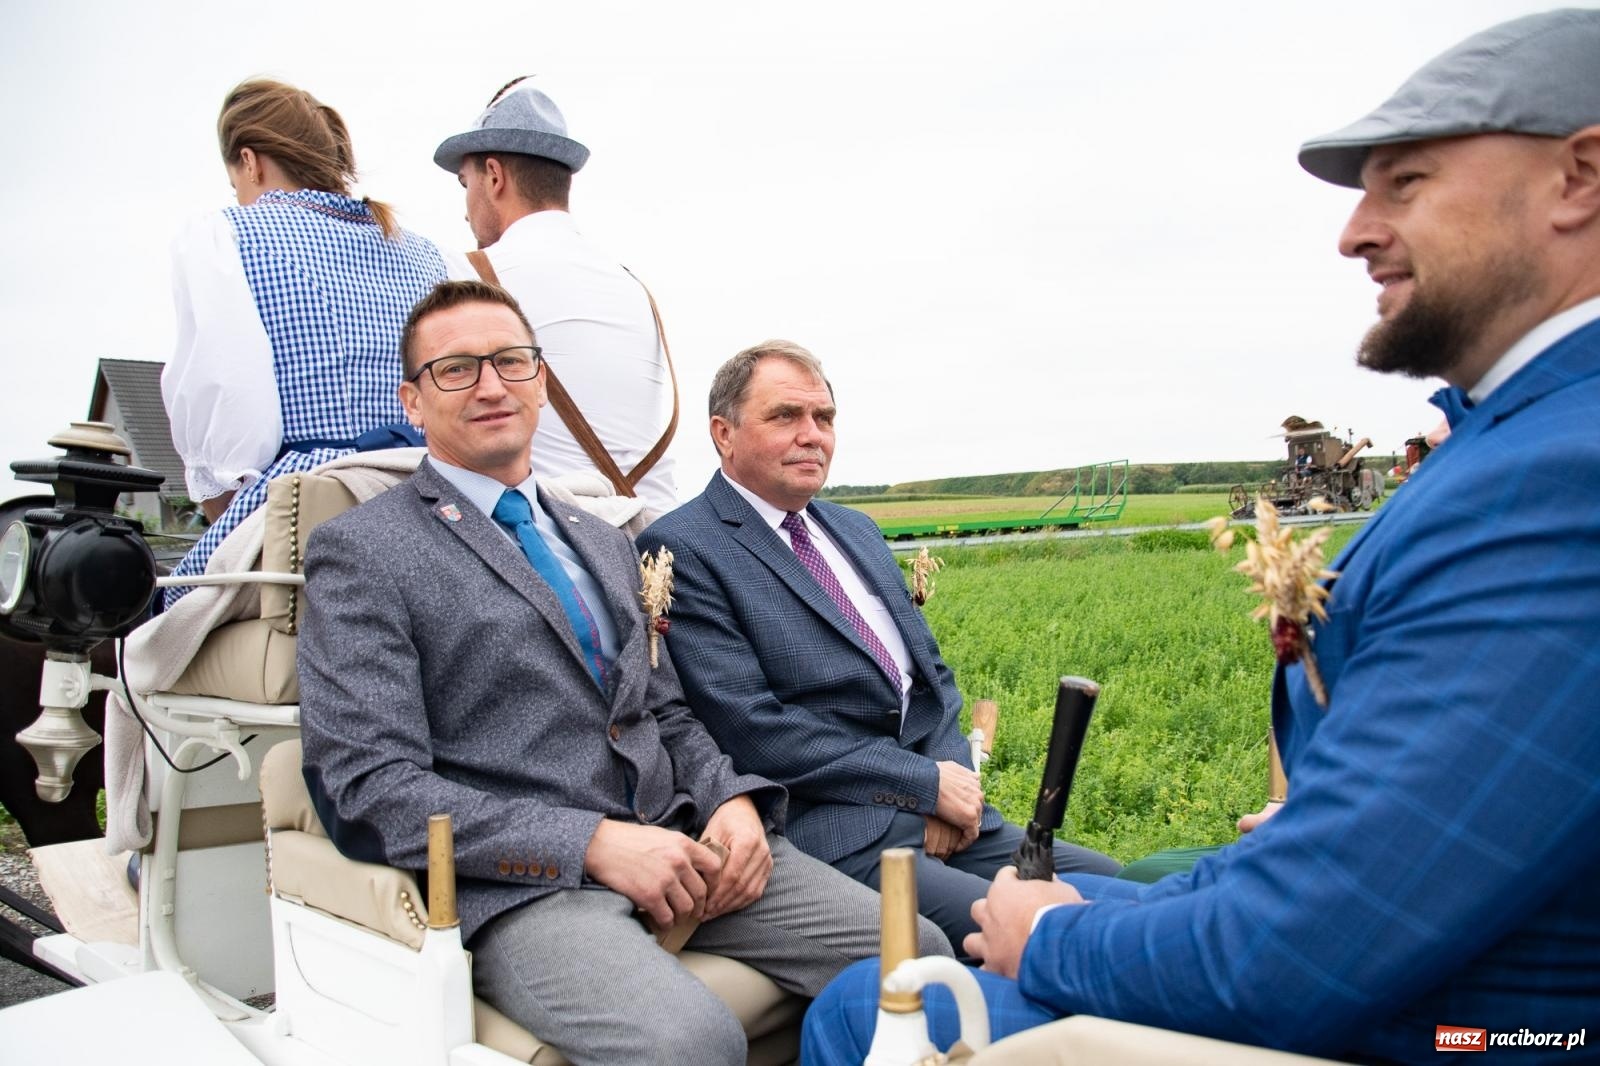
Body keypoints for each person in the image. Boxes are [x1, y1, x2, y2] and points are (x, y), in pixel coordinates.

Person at [802, 9, 1600, 1063]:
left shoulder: (1554, 482)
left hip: (1462, 1026)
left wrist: (1054, 939)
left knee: (871, 1003)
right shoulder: (1521, 436)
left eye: (1404, 182)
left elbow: (1304, 949)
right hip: (1433, 968)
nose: (1353, 230)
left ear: (1577, 176)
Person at [297, 281, 946, 1066]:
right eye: (457, 370)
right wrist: (592, 843)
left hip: (683, 844)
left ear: (541, 380)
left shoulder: (603, 538)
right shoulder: (366, 551)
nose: (493, 385)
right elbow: (369, 785)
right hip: (530, 882)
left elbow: (665, 713)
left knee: (918, 955)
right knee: (692, 1042)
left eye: (511, 361)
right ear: (412, 399)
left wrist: (732, 799)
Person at [638, 342, 1119, 953]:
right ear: (723, 433)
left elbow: (931, 677)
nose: (812, 435)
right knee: (1049, 935)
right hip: (843, 830)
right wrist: (921, 783)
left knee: (1113, 886)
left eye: (825, 418)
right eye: (786, 416)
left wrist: (952, 786)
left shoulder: (854, 529)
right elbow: (753, 729)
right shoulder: (683, 547)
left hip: (950, 819)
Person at [162, 78, 464, 606]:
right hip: (436, 497)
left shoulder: (226, 235)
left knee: (147, 637)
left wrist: (229, 520)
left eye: (236, 180)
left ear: (250, 162)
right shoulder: (428, 253)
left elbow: (227, 403)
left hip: (310, 505)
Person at [433, 77, 679, 517]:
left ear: (493, 176)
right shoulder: (632, 285)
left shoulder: (466, 275)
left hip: (561, 546)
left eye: (464, 183)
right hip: (661, 545)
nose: (465, 207)